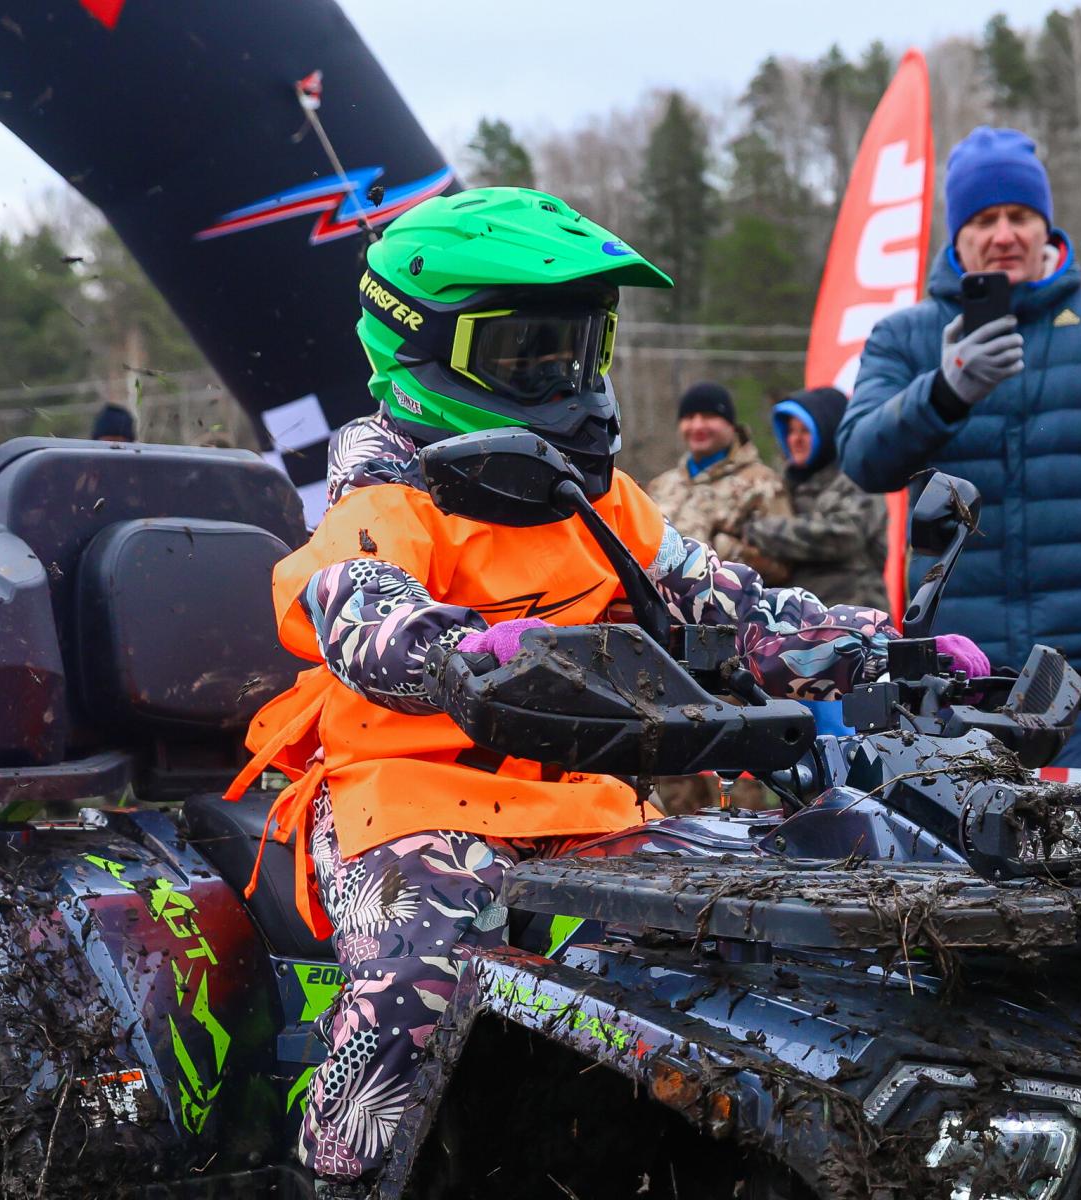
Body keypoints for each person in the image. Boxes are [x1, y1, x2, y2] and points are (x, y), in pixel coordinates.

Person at [223, 188, 986, 1197]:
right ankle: (339, 1176)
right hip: (408, 803)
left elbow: (738, 612)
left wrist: (886, 649)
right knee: (423, 967)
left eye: (580, 351)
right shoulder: (386, 494)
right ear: (422, 347)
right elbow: (356, 605)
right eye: (529, 355)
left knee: (756, 935)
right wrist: (454, 647)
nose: (566, 382)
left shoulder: (600, 498)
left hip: (589, 806)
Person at [838, 126, 1081, 769]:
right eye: (984, 219)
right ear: (957, 235)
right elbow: (863, 459)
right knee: (957, 848)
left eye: (1020, 215)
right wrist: (946, 389)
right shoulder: (906, 338)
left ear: (1048, 227)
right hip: (952, 665)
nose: (1004, 234)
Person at [742, 386, 887, 610]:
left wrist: (761, 530)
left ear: (828, 431)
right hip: (798, 619)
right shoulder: (781, 483)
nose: (795, 440)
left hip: (853, 618)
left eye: (805, 431)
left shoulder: (857, 478)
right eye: (790, 431)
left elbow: (843, 535)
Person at [644, 382, 793, 585]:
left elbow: (783, 566)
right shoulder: (661, 485)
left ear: (730, 425)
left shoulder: (762, 483)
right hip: (659, 608)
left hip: (728, 612)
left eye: (708, 416)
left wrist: (725, 551)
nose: (697, 426)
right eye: (689, 418)